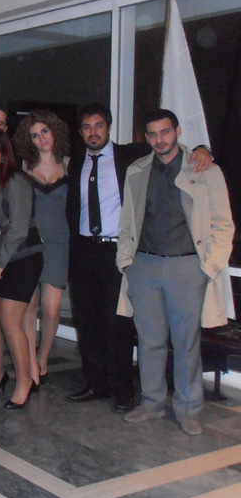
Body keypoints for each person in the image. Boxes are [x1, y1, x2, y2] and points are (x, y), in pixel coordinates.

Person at [65, 103, 212, 413]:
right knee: (87, 320)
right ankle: (95, 381)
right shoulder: (75, 161)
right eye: (87, 127)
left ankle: (122, 389)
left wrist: (204, 149)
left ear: (108, 127)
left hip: (117, 250)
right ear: (81, 132)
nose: (93, 132)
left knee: (118, 322)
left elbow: (173, 150)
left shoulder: (132, 156)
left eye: (99, 126)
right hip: (83, 251)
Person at [118, 109, 234, 435]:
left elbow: (223, 224)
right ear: (146, 137)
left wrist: (208, 267)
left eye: (165, 132)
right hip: (144, 265)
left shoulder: (204, 170)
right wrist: (126, 261)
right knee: (150, 340)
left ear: (178, 131)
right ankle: (152, 403)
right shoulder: (137, 170)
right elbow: (128, 221)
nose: (160, 140)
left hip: (187, 267)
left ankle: (188, 408)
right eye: (153, 134)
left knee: (186, 342)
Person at [0, 129, 44, 409]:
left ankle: (24, 381)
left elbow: (17, 230)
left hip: (23, 257)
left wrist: (0, 264)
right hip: (1, 258)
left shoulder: (16, 180)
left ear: (5, 153)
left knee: (10, 321)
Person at [13, 110, 70, 385]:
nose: (41, 138)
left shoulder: (70, 164)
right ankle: (28, 364)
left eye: (44, 131)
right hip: (30, 244)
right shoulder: (23, 166)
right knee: (28, 306)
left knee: (51, 309)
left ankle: (42, 357)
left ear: (54, 131)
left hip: (59, 243)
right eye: (34, 135)